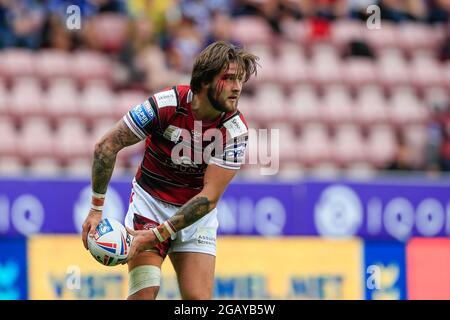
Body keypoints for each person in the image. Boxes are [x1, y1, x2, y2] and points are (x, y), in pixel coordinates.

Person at [81, 41, 259, 300]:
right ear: (205, 80)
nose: (237, 87)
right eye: (229, 78)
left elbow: (209, 197)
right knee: (144, 295)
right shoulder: (164, 105)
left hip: (195, 217)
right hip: (149, 206)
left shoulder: (234, 130)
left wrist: (160, 234)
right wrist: (96, 209)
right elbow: (106, 146)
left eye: (240, 79)